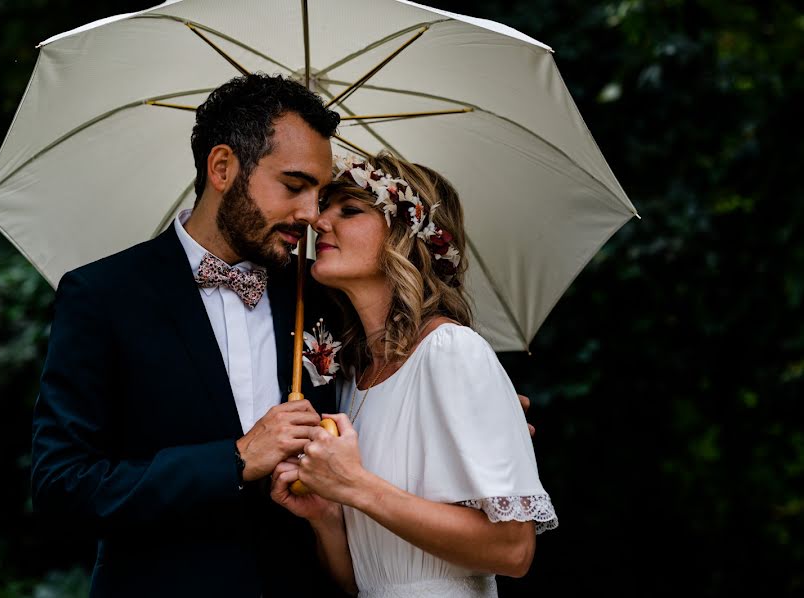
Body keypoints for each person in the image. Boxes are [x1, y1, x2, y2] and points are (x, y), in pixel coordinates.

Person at [30, 73, 349, 597]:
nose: (312, 215)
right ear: (222, 167)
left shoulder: (321, 296)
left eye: (320, 193)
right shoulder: (104, 295)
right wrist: (236, 459)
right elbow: (61, 487)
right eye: (294, 187)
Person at [270, 152, 559, 597]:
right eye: (323, 208)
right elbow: (361, 584)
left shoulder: (451, 351)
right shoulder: (350, 380)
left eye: (348, 210)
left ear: (405, 236)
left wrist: (355, 485)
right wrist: (327, 515)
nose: (317, 221)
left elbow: (512, 550)